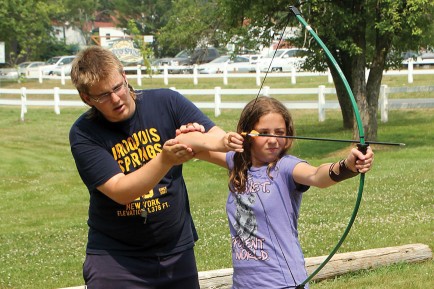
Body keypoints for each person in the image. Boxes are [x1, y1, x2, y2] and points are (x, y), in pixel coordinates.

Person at [68, 45, 243, 289]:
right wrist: (165, 159)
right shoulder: (84, 133)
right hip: (116, 258)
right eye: (103, 95)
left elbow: (213, 136)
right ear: (87, 98)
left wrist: (222, 143)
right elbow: (121, 191)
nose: (116, 98)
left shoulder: (166, 101)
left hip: (176, 252)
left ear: (125, 76)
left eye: (118, 87)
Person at [178, 96, 374, 289]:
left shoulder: (286, 167)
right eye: (264, 133)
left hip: (283, 283)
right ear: (247, 135)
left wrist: (348, 165)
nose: (273, 140)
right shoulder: (235, 161)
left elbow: (317, 175)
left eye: (279, 132)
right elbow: (186, 144)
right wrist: (215, 139)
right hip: (243, 285)